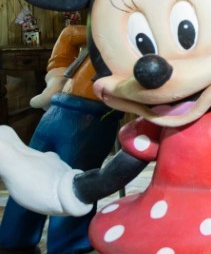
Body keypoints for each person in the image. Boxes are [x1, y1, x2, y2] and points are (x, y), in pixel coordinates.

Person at [0, 24, 122, 254]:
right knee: (36, 174)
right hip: (64, 111)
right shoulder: (107, 28)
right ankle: (27, 240)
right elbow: (68, 35)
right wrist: (55, 77)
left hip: (85, 115)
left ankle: (59, 244)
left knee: (67, 181)